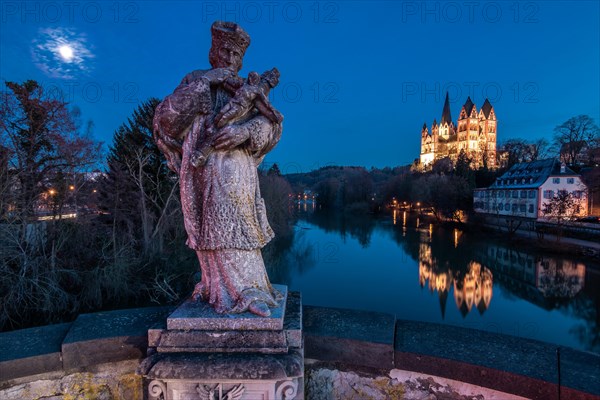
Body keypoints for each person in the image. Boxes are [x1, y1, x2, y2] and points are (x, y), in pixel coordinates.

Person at [153, 21, 283, 317]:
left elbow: (272, 126)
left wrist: (246, 132)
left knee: (240, 229)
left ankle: (249, 290)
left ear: (241, 59)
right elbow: (166, 121)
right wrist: (206, 82)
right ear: (213, 51)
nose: (228, 57)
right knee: (213, 233)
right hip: (203, 171)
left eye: (235, 54)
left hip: (239, 171)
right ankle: (217, 288)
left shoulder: (248, 87)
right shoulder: (196, 79)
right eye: (223, 50)